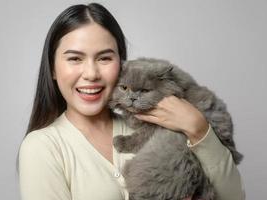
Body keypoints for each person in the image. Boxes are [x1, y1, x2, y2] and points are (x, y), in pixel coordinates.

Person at [18, 3, 245, 200]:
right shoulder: (43, 148)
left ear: (122, 65)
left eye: (104, 58)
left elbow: (233, 197)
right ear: (53, 69)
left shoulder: (156, 122)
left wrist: (198, 129)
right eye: (75, 58)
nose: (91, 73)